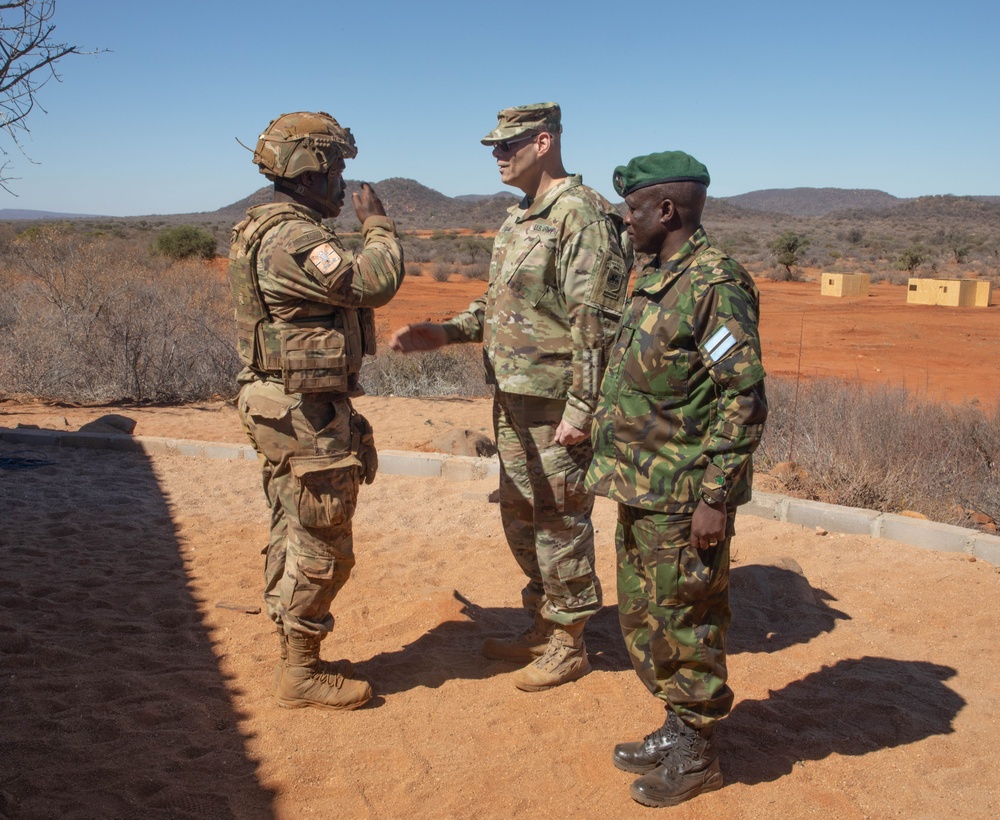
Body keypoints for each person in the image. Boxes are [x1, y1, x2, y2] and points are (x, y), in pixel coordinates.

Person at [389, 103, 629, 691]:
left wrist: (582, 409)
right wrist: (444, 332)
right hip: (514, 399)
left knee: (560, 518)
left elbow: (596, 323)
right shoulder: (520, 217)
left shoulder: (582, 216)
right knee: (521, 517)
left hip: (556, 404)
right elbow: (501, 306)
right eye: (494, 147)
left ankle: (571, 640)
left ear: (543, 142)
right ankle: (543, 625)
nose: (497, 157)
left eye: (507, 146)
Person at [585, 151, 767, 806]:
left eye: (632, 209)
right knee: (645, 617)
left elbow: (742, 396)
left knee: (686, 619)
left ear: (666, 210)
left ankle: (698, 756)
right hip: (642, 486)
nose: (624, 221)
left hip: (686, 495)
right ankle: (676, 723)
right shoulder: (657, 276)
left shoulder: (714, 285)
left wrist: (715, 496)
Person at [228, 111, 405, 711]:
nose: (341, 183)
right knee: (323, 540)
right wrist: (378, 224)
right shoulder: (293, 237)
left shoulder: (265, 226)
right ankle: (300, 672)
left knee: (293, 527)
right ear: (309, 173)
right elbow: (373, 281)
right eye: (335, 170)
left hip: (289, 408)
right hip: (305, 417)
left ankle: (296, 654)